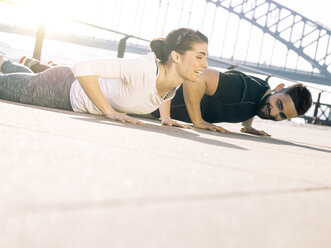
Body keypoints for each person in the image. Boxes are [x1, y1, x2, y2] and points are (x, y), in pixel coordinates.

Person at [0, 28, 209, 128]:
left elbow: (164, 92)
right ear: (176, 56)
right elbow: (83, 67)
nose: (205, 65)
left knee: (22, 80)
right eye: (199, 57)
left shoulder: (175, 78)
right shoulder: (143, 68)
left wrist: (166, 117)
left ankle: (5, 62)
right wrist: (109, 112)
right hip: (59, 90)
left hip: (64, 87)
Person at [151, 68, 312, 136]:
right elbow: (199, 77)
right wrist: (198, 121)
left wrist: (247, 126)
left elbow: (253, 103)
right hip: (149, 100)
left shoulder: (263, 89)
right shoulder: (242, 87)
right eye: (279, 104)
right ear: (279, 88)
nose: (274, 113)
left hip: (152, 103)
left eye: (282, 116)